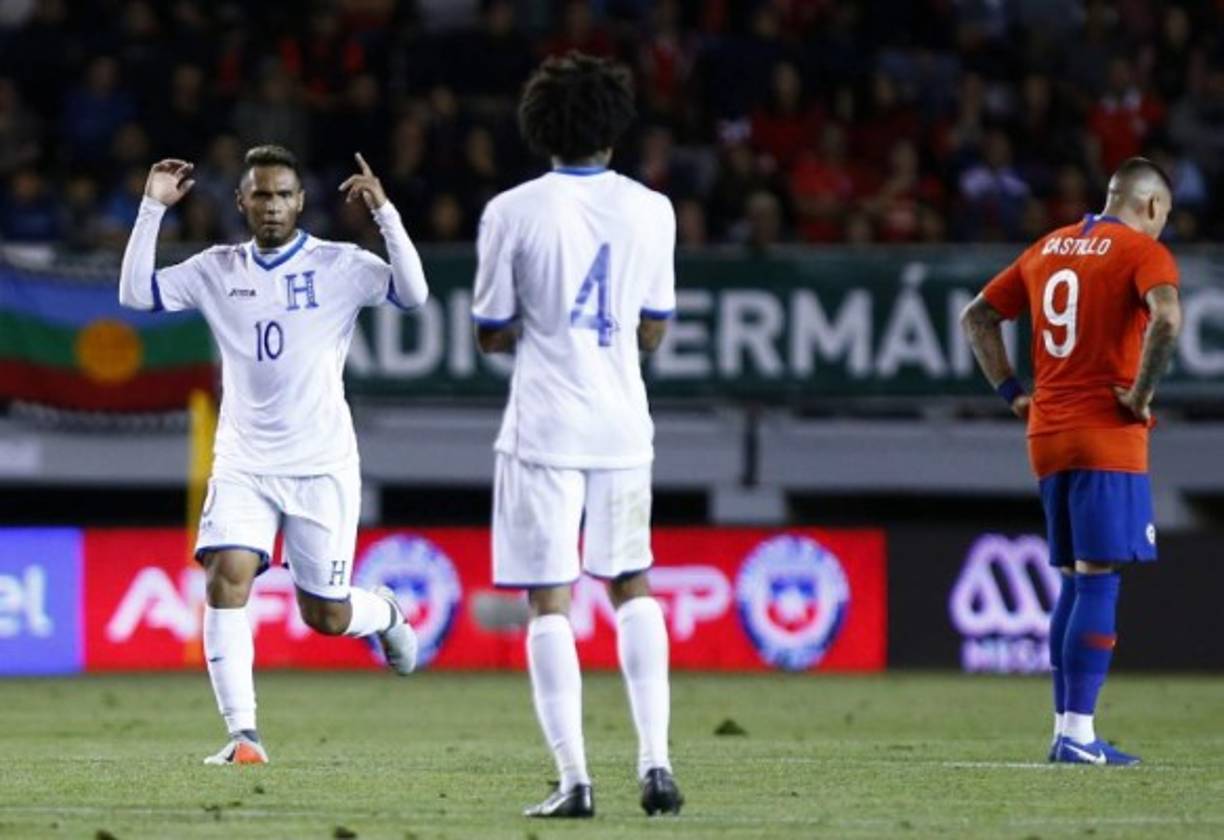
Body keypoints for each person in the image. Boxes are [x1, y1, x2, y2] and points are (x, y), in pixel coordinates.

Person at [118, 145, 428, 765]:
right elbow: (135, 296)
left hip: (321, 465)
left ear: (300, 201)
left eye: (283, 194)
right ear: (241, 202)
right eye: (260, 194)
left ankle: (386, 612)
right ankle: (244, 736)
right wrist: (152, 208)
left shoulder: (340, 264)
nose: (271, 206)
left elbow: (414, 295)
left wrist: (386, 213)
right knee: (225, 577)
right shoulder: (216, 267)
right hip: (243, 461)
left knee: (327, 616)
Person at [471, 52, 683, 818]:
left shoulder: (512, 211)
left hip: (544, 428)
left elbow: (492, 333)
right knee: (633, 583)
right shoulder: (652, 210)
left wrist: (538, 324)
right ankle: (656, 762)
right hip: (623, 425)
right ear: (614, 130)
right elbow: (654, 327)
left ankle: (576, 780)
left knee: (549, 601)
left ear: (539, 129)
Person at [961, 157, 1182, 765]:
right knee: (1100, 577)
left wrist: (1012, 393)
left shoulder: (1049, 246)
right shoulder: (1142, 252)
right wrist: (1139, 396)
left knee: (1074, 578)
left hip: (1047, 434)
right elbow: (1167, 317)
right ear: (1153, 207)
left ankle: (1066, 730)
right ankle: (1080, 735)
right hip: (1105, 434)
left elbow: (976, 316)